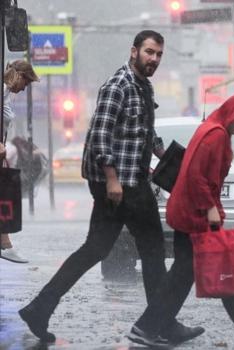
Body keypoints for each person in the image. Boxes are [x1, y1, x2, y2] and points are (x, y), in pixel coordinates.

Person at [19, 30, 202, 343]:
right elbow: (101, 134)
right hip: (121, 183)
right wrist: (112, 179)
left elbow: (143, 132)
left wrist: (166, 156)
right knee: (153, 248)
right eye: (149, 52)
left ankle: (40, 308)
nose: (154, 59)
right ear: (134, 52)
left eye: (158, 54)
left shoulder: (143, 86)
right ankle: (161, 324)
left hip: (130, 179)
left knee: (97, 249)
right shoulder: (118, 85)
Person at [129, 92, 234, 348]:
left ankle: (146, 328)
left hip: (186, 212)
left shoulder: (210, 129)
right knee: (223, 269)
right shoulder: (217, 135)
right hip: (196, 216)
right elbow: (198, 177)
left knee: (184, 277)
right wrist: (212, 209)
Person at [0, 59, 39, 264]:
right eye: (26, 84)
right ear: (20, 77)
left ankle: (5, 245)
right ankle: (5, 245)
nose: (24, 90)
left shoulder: (5, 92)